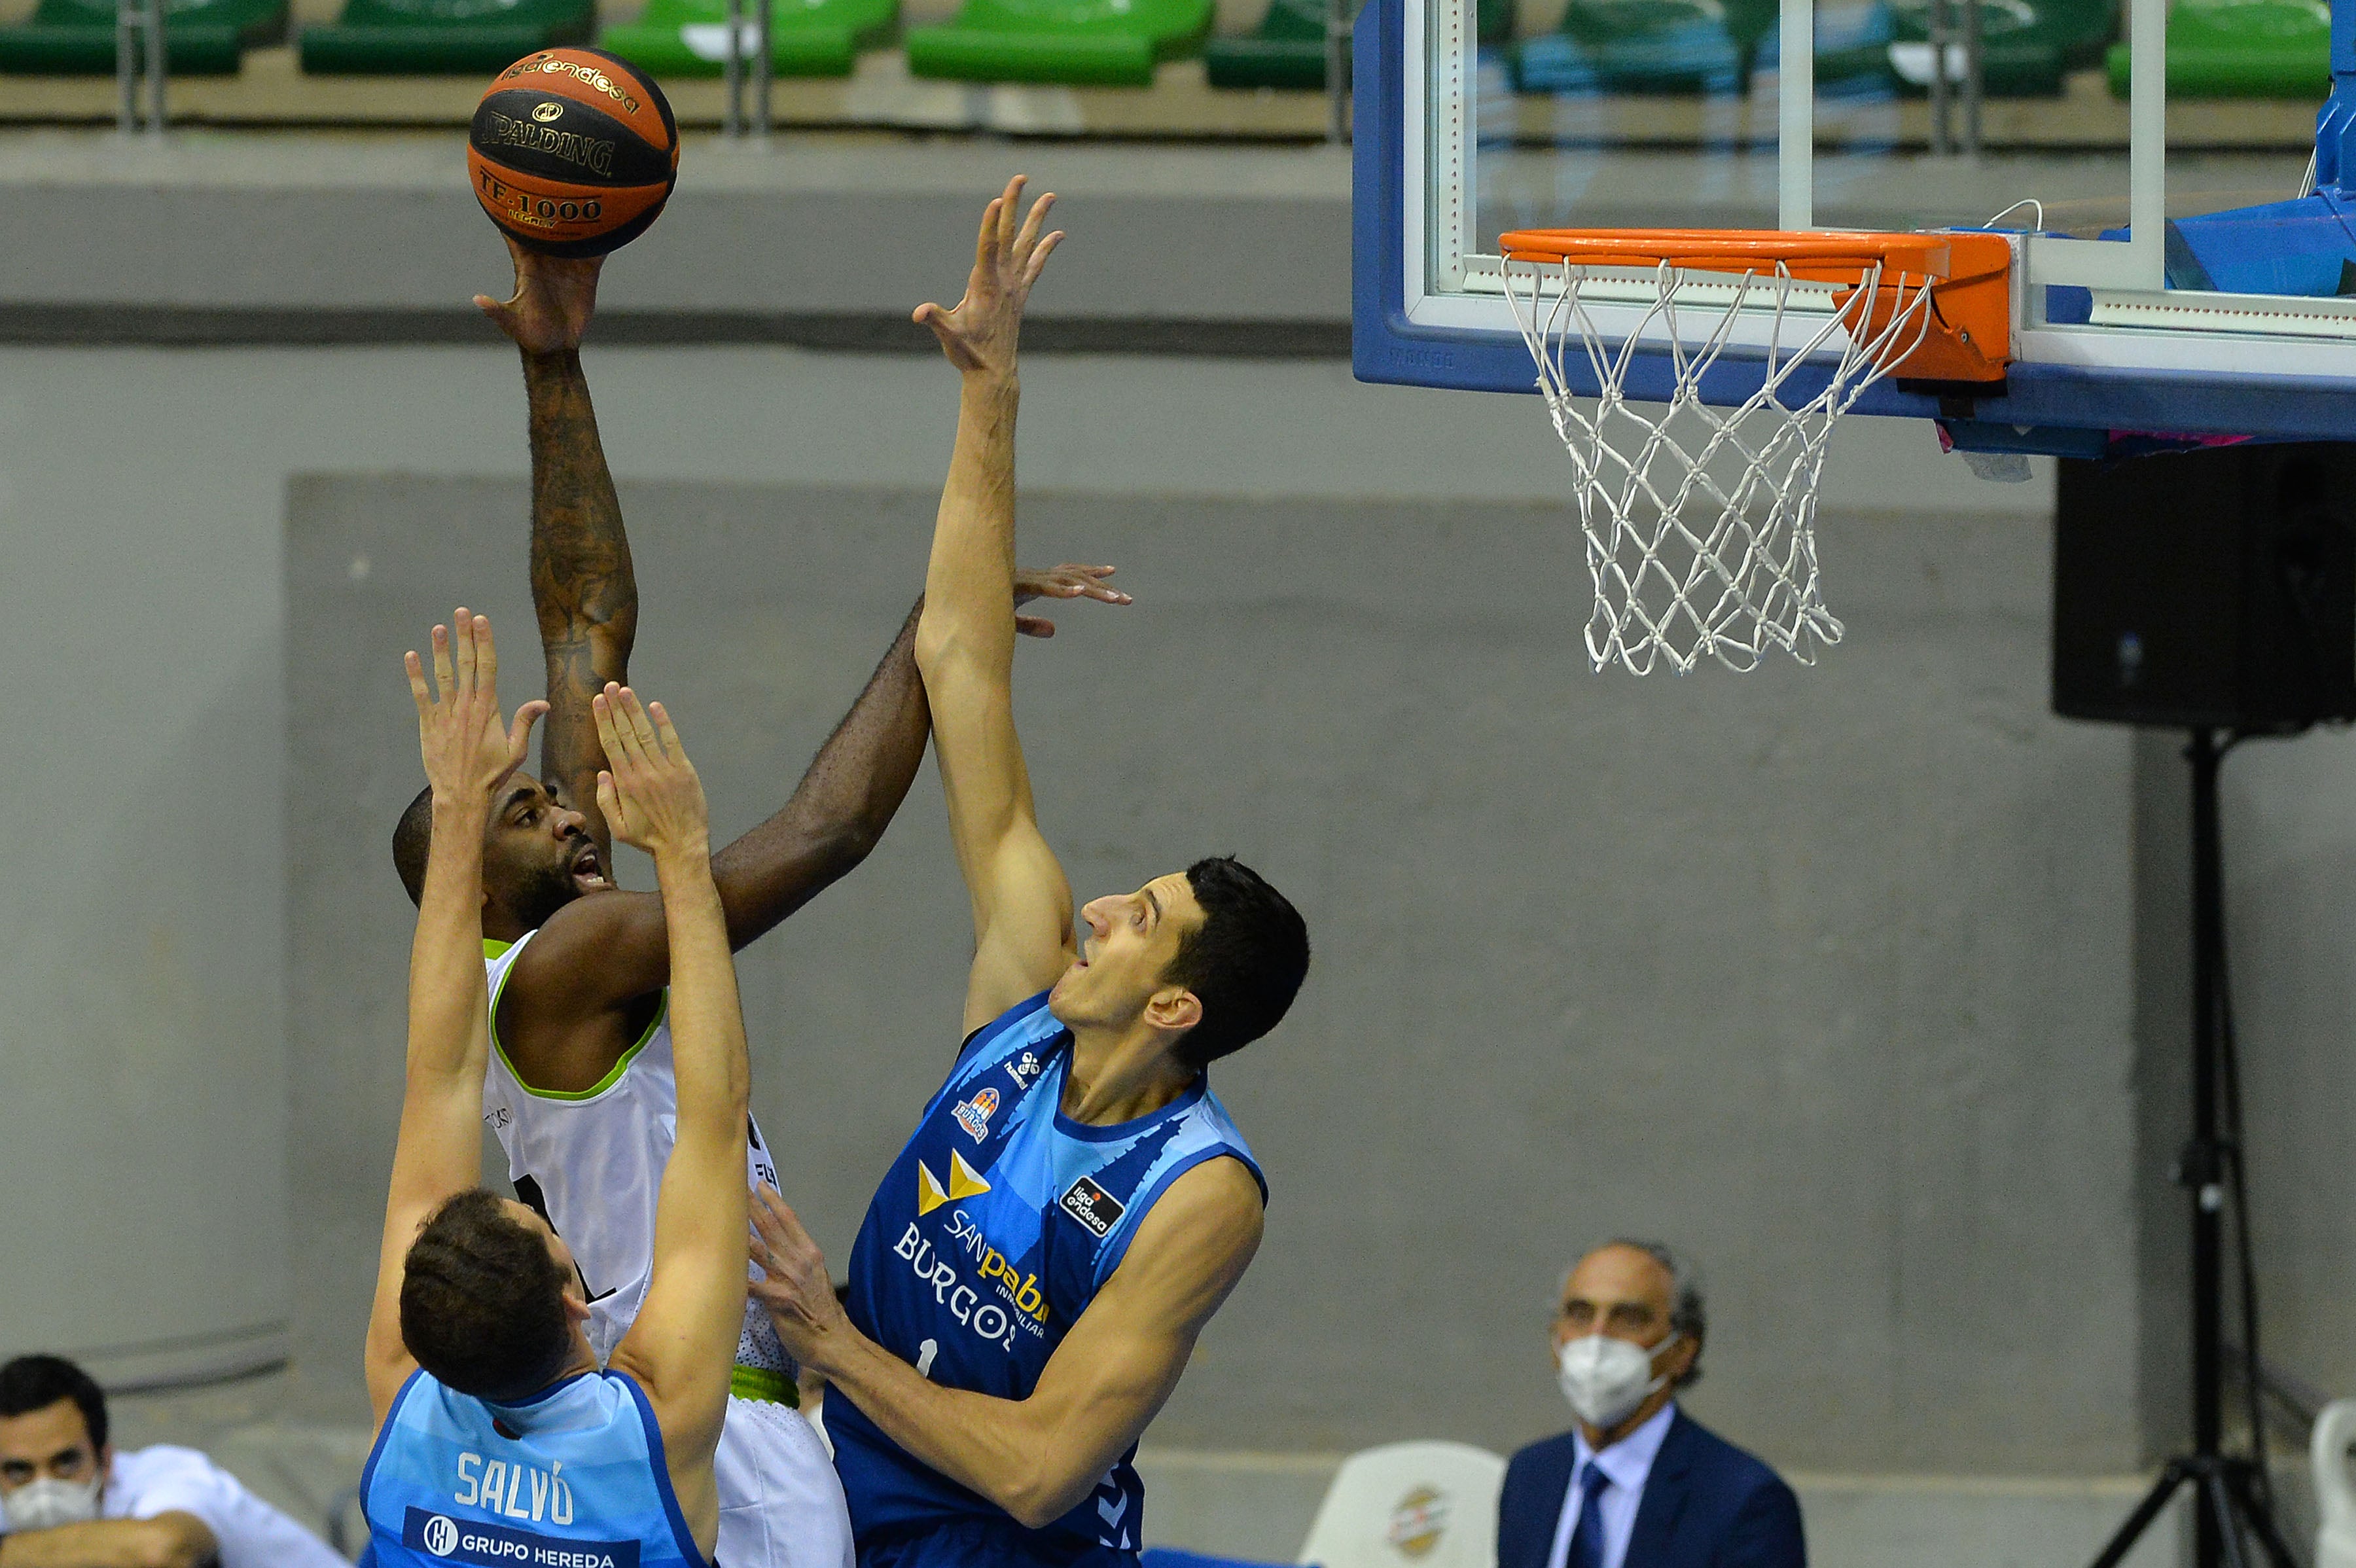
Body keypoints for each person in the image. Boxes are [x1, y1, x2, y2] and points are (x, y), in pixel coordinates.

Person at [388, 246, 1129, 1568]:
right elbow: (827, 832)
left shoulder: (565, 943)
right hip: (702, 1417)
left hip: (706, 1392)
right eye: (523, 813)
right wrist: (935, 626)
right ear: (481, 892)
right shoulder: (570, 960)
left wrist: (553, 364)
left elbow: (585, 625)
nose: (562, 809)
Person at [744, 175, 1313, 1568]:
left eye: (1145, 920)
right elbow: (959, 663)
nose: (1105, 905)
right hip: (834, 1494)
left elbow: (1046, 1469)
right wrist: (989, 391)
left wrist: (827, 1340)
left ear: (1175, 1007)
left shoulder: (1201, 1192)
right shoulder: (1024, 991)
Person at [359, 608, 747, 1568]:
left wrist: (460, 812)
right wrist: (686, 860)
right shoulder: (647, 1438)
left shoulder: (409, 1406)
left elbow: (445, 1072)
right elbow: (714, 1121)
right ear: (581, 1306)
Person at [1497, 1241, 1806, 1568]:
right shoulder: (1531, 1475)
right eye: (1580, 1315)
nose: (1597, 1339)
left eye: (1629, 1319)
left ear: (1682, 1351)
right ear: (1554, 1338)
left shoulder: (1743, 1500)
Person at [0, 1355, 346, 1568]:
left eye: (66, 1463)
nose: (42, 1488)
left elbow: (163, 1551)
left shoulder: (170, 1474)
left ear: (106, 1459)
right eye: (18, 1470)